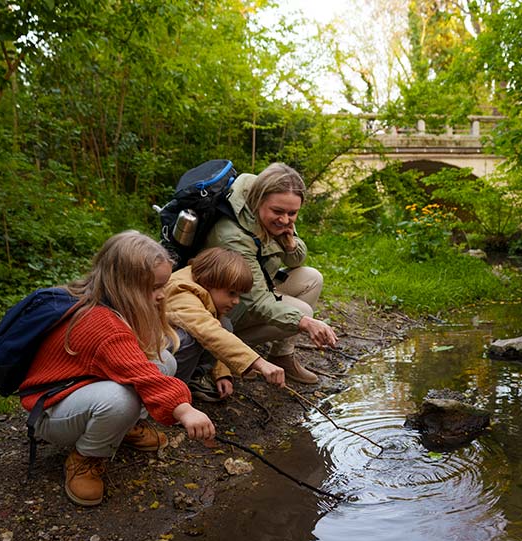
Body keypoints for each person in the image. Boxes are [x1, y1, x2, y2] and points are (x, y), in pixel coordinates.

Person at [19, 230, 216, 507]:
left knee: (165, 361)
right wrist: (184, 409)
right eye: (154, 288)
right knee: (121, 399)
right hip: (50, 409)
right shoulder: (101, 323)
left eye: (163, 286)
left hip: (80, 387)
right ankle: (86, 458)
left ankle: (124, 428)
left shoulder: (107, 300)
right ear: (126, 285)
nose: (161, 296)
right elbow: (143, 375)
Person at [204, 162, 338, 384]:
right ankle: (227, 351)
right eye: (278, 212)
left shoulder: (275, 209)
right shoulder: (234, 236)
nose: (285, 220)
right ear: (258, 202)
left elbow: (296, 259)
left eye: (292, 213)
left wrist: (289, 241)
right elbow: (257, 301)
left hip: (254, 285)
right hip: (219, 308)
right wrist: (304, 322)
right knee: (301, 311)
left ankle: (282, 355)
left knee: (311, 278)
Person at [165, 246, 286, 402]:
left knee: (225, 325)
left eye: (239, 295)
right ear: (209, 282)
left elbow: (215, 328)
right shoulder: (181, 290)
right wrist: (259, 363)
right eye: (231, 293)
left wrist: (221, 373)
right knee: (191, 339)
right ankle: (171, 397)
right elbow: (208, 332)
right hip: (152, 354)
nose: (236, 301)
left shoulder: (203, 285)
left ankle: (192, 379)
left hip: (165, 346)